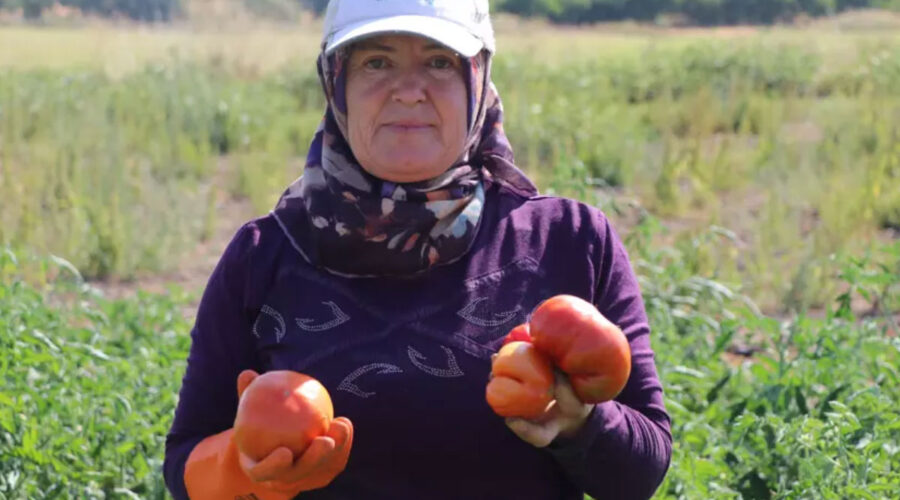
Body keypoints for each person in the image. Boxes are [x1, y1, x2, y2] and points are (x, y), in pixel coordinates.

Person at [163, 0, 672, 499]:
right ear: (336, 81)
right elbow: (184, 463)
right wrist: (243, 468)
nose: (408, 91)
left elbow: (641, 472)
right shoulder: (263, 255)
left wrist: (578, 422)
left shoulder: (569, 240)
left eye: (438, 62)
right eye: (376, 62)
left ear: (477, 80)